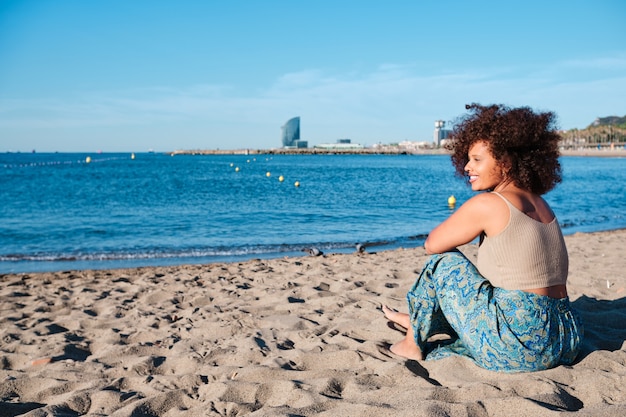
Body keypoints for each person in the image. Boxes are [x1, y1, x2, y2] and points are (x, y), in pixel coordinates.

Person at [383, 103, 583, 372]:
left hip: (521, 347)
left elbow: (432, 244)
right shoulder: (541, 204)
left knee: (442, 263)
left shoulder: (490, 203)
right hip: (566, 339)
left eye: (477, 159)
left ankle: (412, 341)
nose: (467, 167)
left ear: (507, 161)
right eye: (467, 159)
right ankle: (419, 321)